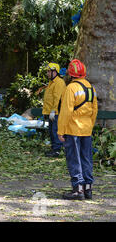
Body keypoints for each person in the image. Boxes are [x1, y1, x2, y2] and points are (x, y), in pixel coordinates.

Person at [58, 59, 98, 200]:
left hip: (72, 130)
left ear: (71, 73)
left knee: (74, 159)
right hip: (86, 130)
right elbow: (94, 111)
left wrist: (60, 130)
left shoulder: (71, 88)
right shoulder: (90, 88)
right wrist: (89, 126)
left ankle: (77, 190)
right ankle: (88, 189)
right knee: (86, 159)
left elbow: (66, 112)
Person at [42, 62, 66, 157]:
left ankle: (57, 150)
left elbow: (57, 98)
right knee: (52, 130)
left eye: (49, 71)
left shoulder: (59, 82)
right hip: (51, 112)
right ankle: (54, 148)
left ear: (54, 72)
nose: (47, 73)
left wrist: (53, 110)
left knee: (55, 130)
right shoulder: (51, 82)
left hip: (56, 112)